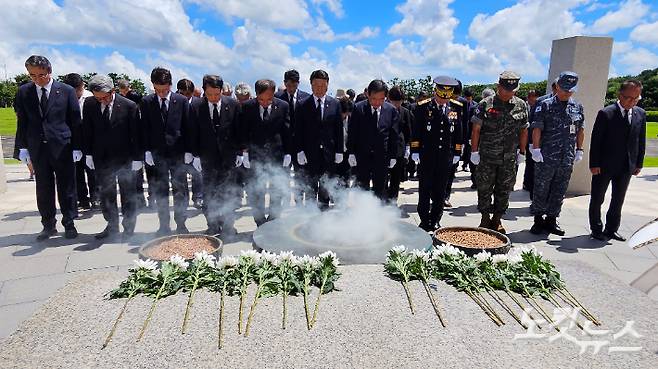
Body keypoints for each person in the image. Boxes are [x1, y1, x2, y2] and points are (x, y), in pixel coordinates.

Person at [15, 55, 82, 240]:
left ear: (49, 71)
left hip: (62, 147)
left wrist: (77, 147)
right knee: (43, 188)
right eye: (32, 75)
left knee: (66, 187)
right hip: (38, 147)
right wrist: (22, 147)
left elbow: (75, 121)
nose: (37, 79)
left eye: (41, 75)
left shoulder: (66, 90)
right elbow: (22, 121)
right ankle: (48, 225)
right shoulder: (24, 92)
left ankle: (69, 223)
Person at [82, 75, 142, 239]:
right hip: (101, 157)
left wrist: (138, 158)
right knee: (106, 193)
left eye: (105, 97)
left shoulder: (129, 106)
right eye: (98, 98)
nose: (102, 101)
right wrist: (87, 154)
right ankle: (112, 225)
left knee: (128, 194)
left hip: (125, 158)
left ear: (113, 91)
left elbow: (136, 134)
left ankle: (129, 228)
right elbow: (87, 130)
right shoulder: (89, 104)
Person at [470, 71, 528, 234]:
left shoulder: (521, 105)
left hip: (509, 157)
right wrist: (474, 151)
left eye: (512, 90)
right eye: (506, 90)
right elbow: (476, 129)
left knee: (504, 189)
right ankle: (484, 218)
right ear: (498, 87)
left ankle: (497, 219)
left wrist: (522, 152)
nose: (509, 93)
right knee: (484, 188)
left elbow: (524, 130)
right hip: (487, 156)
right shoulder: (485, 104)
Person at [589, 80, 646, 241]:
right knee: (598, 198)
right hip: (604, 165)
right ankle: (596, 228)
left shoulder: (640, 114)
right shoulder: (606, 113)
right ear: (620, 95)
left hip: (626, 166)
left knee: (618, 199)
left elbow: (640, 141)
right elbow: (596, 141)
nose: (632, 102)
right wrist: (594, 163)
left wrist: (638, 163)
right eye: (629, 98)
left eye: (636, 99)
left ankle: (612, 229)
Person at [529, 72, 584, 236]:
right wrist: (536, 149)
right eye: (564, 89)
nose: (567, 93)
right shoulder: (544, 105)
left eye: (570, 90)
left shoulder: (577, 107)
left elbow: (581, 129)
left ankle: (552, 219)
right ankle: (538, 219)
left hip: (566, 156)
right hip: (546, 156)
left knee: (560, 189)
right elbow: (537, 128)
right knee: (541, 188)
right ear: (557, 86)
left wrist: (579, 150)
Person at [187, 74, 241, 236]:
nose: (213, 98)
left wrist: (240, 152)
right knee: (209, 192)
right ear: (204, 91)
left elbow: (238, 131)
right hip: (206, 158)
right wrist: (194, 155)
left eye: (217, 94)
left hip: (228, 157)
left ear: (222, 91)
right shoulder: (196, 106)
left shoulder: (233, 105)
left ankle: (229, 225)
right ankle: (212, 224)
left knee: (229, 192)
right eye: (209, 94)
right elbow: (192, 132)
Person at [141, 67, 191, 236]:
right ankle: (164, 224)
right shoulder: (147, 102)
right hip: (157, 154)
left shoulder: (181, 101)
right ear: (153, 86)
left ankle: (181, 223)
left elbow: (187, 127)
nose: (161, 93)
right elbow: (145, 129)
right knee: (160, 190)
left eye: (165, 89)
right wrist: (146, 150)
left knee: (180, 190)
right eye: (158, 90)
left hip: (178, 153)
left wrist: (189, 151)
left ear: (170, 85)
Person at [410, 76, 463, 232]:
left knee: (440, 190)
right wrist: (415, 150)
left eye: (446, 98)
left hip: (445, 156)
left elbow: (459, 131)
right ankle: (424, 219)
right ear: (436, 92)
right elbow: (416, 130)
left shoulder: (456, 107)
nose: (442, 101)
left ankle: (436, 219)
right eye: (440, 97)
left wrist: (458, 151)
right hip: (427, 155)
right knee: (425, 189)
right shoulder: (422, 107)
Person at [240, 79, 292, 226]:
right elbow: (243, 131)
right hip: (255, 156)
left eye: (269, 99)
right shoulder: (248, 107)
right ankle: (260, 222)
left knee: (277, 189)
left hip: (277, 155)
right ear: (256, 95)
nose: (265, 102)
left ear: (274, 94)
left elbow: (287, 131)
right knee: (257, 191)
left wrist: (288, 152)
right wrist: (244, 152)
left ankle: (274, 221)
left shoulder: (283, 106)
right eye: (261, 99)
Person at [294, 69, 343, 209]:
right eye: (316, 85)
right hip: (309, 155)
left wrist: (339, 150)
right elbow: (298, 130)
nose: (319, 88)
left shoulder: (334, 104)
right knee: (310, 188)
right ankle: (309, 218)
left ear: (327, 85)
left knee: (325, 189)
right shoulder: (302, 104)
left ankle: (323, 218)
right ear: (311, 85)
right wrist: (299, 150)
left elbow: (338, 130)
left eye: (323, 85)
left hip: (328, 155)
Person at [346, 79, 400, 201]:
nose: (377, 102)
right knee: (361, 188)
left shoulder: (391, 110)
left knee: (380, 189)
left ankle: (377, 215)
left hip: (382, 157)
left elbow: (393, 135)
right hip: (362, 156)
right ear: (368, 95)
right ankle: (361, 213)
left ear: (385, 97)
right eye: (374, 99)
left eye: (381, 99)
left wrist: (393, 155)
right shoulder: (358, 108)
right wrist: (351, 153)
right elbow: (352, 132)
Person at [62, 72, 97, 210]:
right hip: (72, 139)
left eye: (78, 90)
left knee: (92, 171)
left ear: (83, 85)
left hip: (90, 138)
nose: (76, 93)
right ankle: (82, 199)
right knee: (77, 172)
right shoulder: (64, 98)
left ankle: (96, 197)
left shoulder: (91, 97)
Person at [275, 69, 310, 205]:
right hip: (283, 145)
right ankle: (279, 204)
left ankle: (299, 202)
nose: (290, 88)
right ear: (284, 83)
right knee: (280, 176)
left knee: (301, 177)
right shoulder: (278, 98)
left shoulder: (306, 98)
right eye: (288, 85)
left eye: (293, 85)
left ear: (298, 83)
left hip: (300, 145)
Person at [118, 79, 148, 208]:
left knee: (136, 174)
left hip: (135, 140)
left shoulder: (133, 97)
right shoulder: (120, 99)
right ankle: (136, 201)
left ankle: (140, 200)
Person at [524, 82, 557, 199]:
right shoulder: (541, 102)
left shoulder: (570, 103)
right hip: (541, 145)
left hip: (557, 148)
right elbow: (533, 123)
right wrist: (532, 144)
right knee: (536, 172)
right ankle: (534, 198)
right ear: (554, 88)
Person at [177, 78, 204, 209]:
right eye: (184, 94)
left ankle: (198, 197)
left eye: (189, 94)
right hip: (180, 145)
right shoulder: (174, 103)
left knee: (197, 174)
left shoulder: (199, 103)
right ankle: (183, 201)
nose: (186, 97)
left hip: (196, 144)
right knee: (180, 176)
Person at [386, 86, 413, 204]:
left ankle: (393, 199)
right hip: (385, 148)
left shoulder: (405, 112)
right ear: (389, 99)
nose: (396, 104)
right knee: (382, 176)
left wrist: (408, 147)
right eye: (394, 101)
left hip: (399, 149)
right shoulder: (383, 110)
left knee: (396, 177)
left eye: (399, 101)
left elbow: (408, 130)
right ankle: (382, 197)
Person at [443, 79, 468, 208]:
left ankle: (446, 196)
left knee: (451, 171)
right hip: (442, 141)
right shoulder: (441, 100)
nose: (455, 98)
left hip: (454, 143)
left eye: (457, 95)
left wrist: (463, 142)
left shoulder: (462, 103)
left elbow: (464, 124)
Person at [335, 97, 354, 189]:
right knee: (334, 177)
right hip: (335, 152)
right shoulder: (334, 118)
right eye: (342, 113)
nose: (344, 115)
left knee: (346, 177)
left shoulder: (352, 120)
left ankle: (344, 198)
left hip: (347, 153)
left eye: (345, 113)